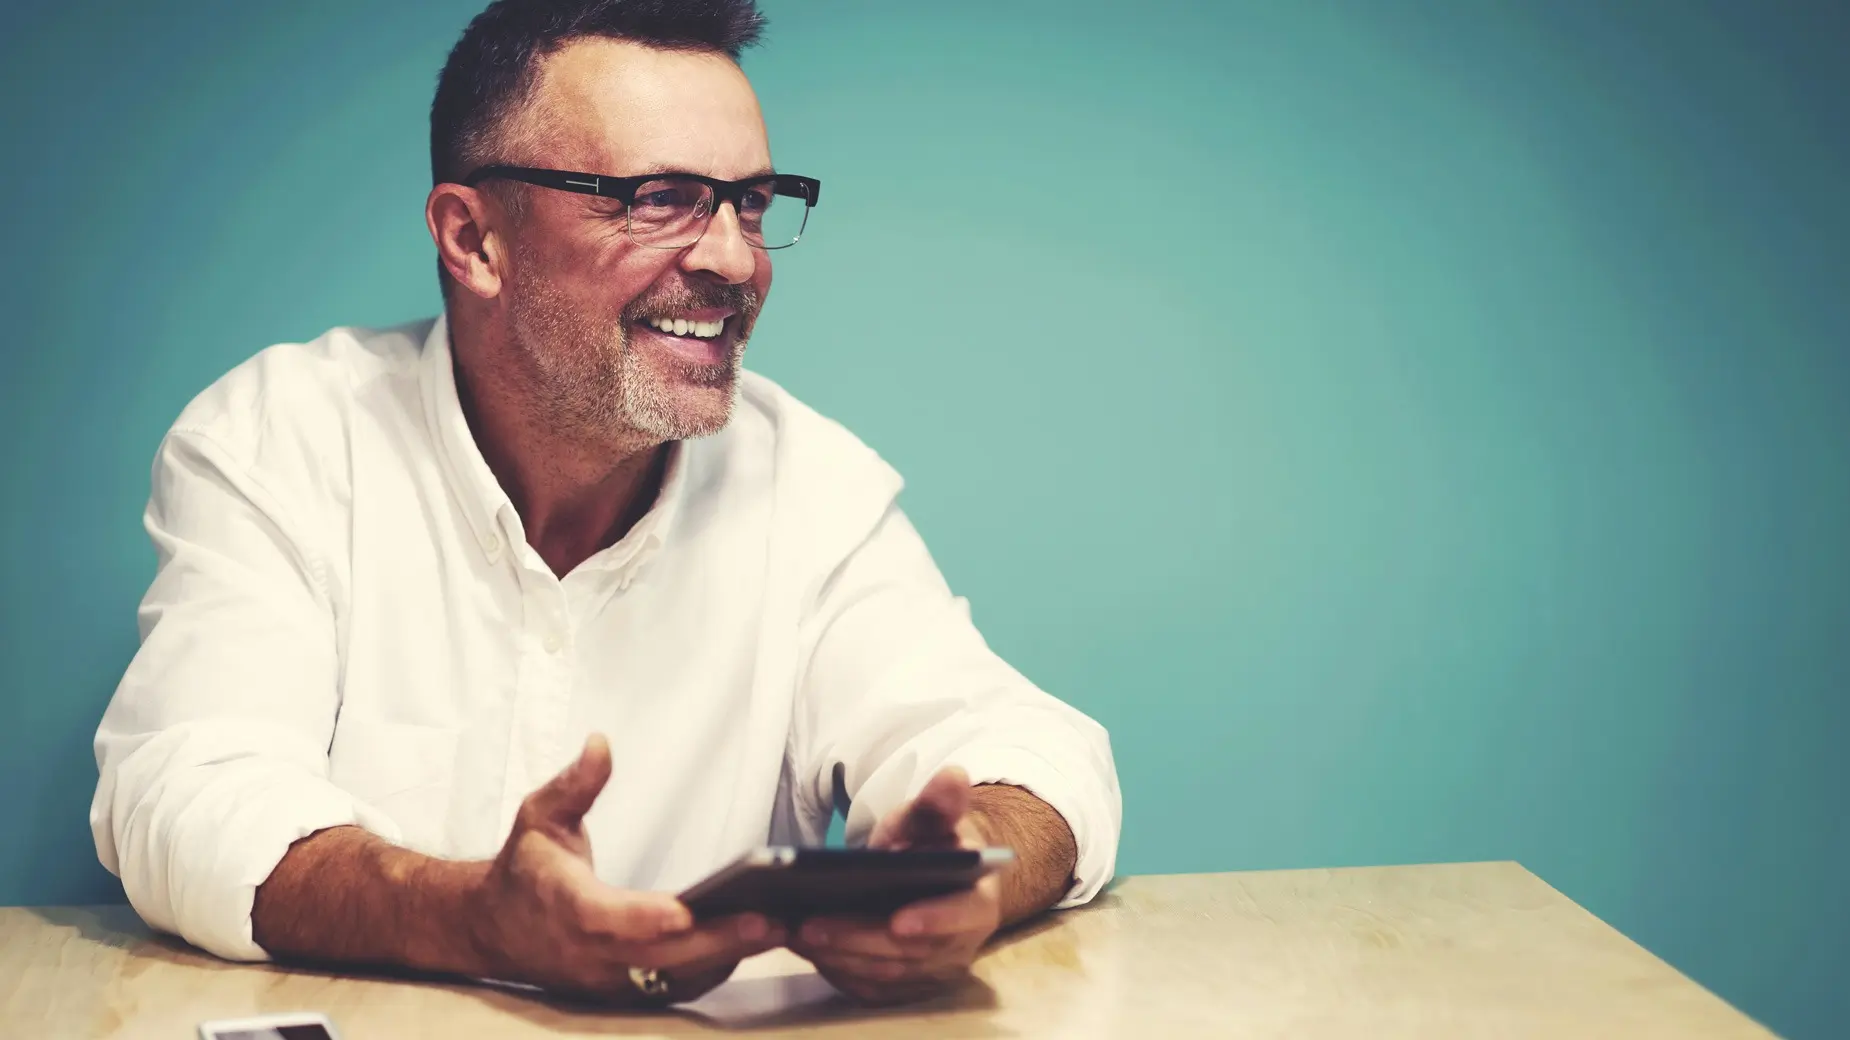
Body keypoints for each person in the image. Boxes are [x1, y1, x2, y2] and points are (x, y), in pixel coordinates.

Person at [89, 0, 1120, 1009]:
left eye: (750, 202)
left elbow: (1035, 754)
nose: (732, 259)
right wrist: (469, 914)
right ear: (473, 236)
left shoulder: (809, 484)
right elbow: (186, 793)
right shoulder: (281, 438)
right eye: (658, 196)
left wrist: (968, 871)